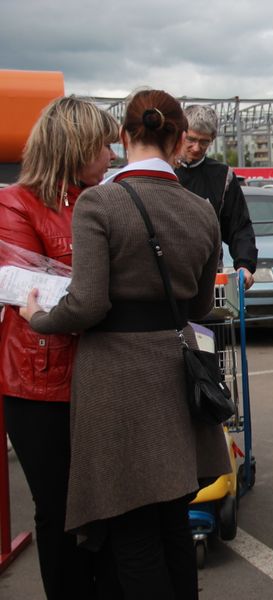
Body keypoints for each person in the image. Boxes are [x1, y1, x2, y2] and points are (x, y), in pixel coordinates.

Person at [21, 89, 232, 599]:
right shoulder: (202, 209)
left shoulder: (100, 202)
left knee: (132, 530)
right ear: (181, 139)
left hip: (116, 382)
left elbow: (87, 304)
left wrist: (39, 317)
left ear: (122, 136)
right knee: (173, 524)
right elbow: (201, 305)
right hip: (177, 372)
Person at [0, 96, 118, 599]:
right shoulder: (14, 204)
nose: (112, 157)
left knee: (108, 506)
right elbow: (23, 287)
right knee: (60, 511)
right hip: (39, 384)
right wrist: (100, 290)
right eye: (103, 146)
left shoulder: (103, 200)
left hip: (101, 374)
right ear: (74, 148)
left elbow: (82, 292)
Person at [174, 105, 257, 289]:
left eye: (204, 142)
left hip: (208, 281)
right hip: (167, 280)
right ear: (180, 134)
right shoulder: (162, 169)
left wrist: (244, 264)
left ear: (212, 139)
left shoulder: (223, 176)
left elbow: (239, 226)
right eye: (191, 139)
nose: (196, 148)